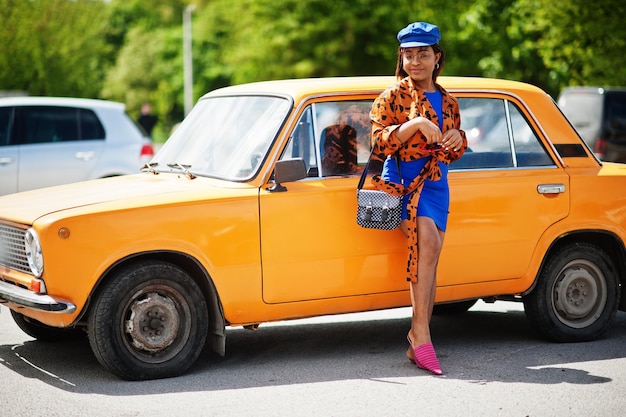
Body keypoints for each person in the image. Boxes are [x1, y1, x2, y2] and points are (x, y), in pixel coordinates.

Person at [369, 21, 467, 375]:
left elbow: (454, 150)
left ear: (437, 57)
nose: (415, 61)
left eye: (422, 54)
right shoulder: (393, 96)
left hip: (438, 183)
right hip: (405, 185)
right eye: (408, 54)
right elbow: (377, 142)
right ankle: (420, 335)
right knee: (427, 241)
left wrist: (457, 137)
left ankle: (419, 336)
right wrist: (413, 125)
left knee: (432, 253)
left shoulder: (450, 100)